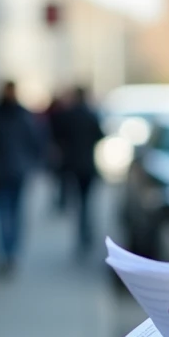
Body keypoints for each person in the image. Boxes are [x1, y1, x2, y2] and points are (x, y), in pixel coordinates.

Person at [0, 80, 43, 275]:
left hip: (12, 172)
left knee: (10, 215)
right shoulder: (11, 115)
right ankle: (8, 254)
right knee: (7, 215)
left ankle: (9, 254)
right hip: (7, 173)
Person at [51, 85, 106, 255]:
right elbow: (100, 135)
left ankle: (82, 236)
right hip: (88, 166)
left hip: (73, 165)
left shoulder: (68, 115)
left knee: (78, 202)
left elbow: (56, 134)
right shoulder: (91, 115)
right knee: (87, 203)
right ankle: (86, 234)